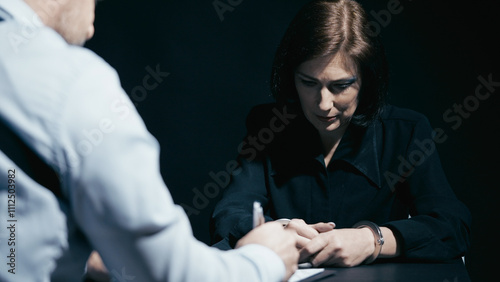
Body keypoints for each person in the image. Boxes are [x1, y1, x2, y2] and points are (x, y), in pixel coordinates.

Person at [0, 0, 300, 281]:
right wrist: (266, 260)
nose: (91, 28)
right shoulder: (71, 81)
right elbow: (171, 274)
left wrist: (83, 255)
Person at [211, 0, 471, 267]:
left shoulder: (406, 132)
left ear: (366, 81)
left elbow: (453, 225)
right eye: (308, 83)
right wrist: (278, 231)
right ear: (292, 77)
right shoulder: (266, 124)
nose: (323, 104)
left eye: (341, 86)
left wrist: (372, 240)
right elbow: (229, 214)